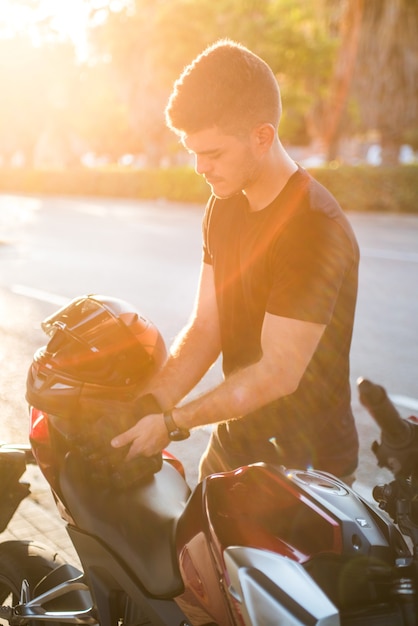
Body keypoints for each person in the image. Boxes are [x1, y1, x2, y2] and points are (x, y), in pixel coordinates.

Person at [111, 39, 360, 484]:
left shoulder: (313, 227)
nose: (199, 168)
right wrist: (146, 406)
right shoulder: (224, 204)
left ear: (262, 136)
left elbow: (278, 372)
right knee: (183, 551)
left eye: (213, 153)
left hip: (307, 467)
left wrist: (171, 423)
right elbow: (209, 326)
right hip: (235, 443)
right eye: (193, 152)